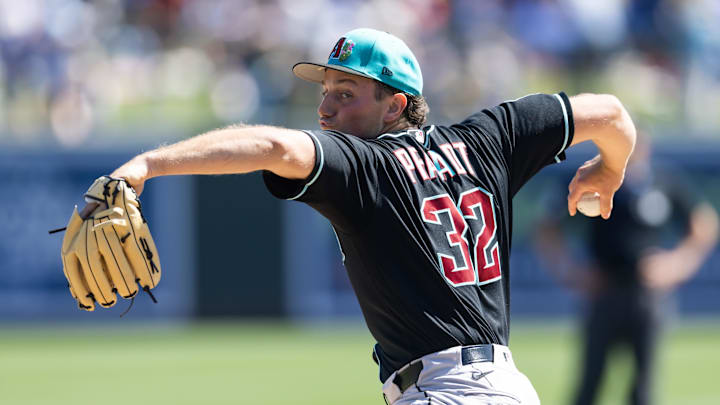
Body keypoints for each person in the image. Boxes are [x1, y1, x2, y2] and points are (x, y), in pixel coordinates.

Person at [106, 28, 637, 404]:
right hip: (508, 389)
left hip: (443, 393)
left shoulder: (367, 166)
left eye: (346, 93)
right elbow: (612, 114)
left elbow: (270, 144)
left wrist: (146, 165)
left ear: (395, 106)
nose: (325, 110)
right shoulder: (488, 139)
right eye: (324, 93)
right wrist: (610, 171)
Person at [534, 134, 718, 405]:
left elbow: (704, 224)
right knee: (589, 384)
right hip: (603, 293)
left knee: (643, 389)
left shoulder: (663, 181)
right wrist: (570, 271)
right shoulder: (588, 180)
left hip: (647, 295)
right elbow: (546, 227)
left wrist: (676, 264)